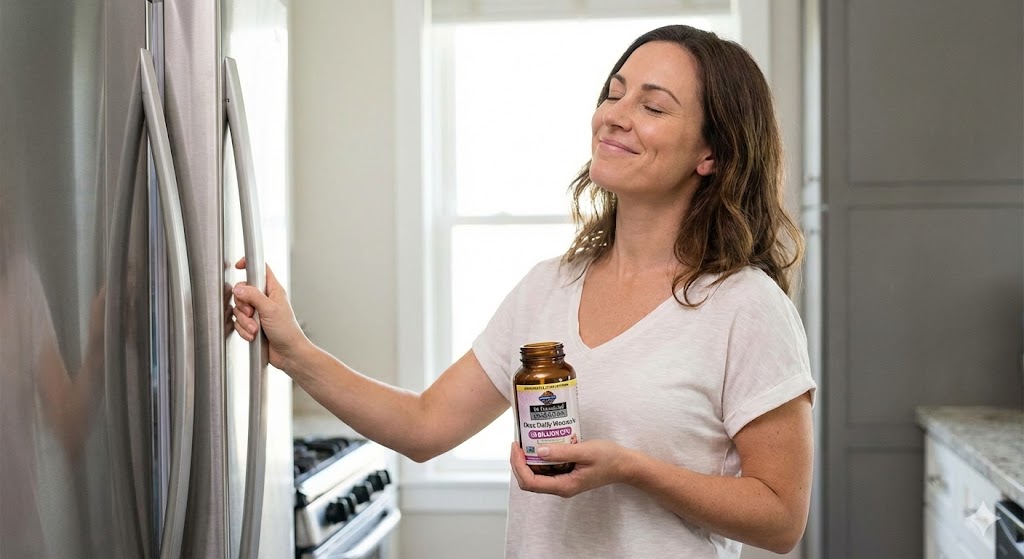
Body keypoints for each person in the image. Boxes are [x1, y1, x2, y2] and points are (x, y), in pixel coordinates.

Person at [232, 24, 815, 558]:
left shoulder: (745, 306)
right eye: (613, 94)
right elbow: (425, 425)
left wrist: (631, 469)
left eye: (653, 105)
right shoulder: (548, 287)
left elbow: (781, 518)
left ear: (711, 154)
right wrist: (294, 353)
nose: (615, 115)